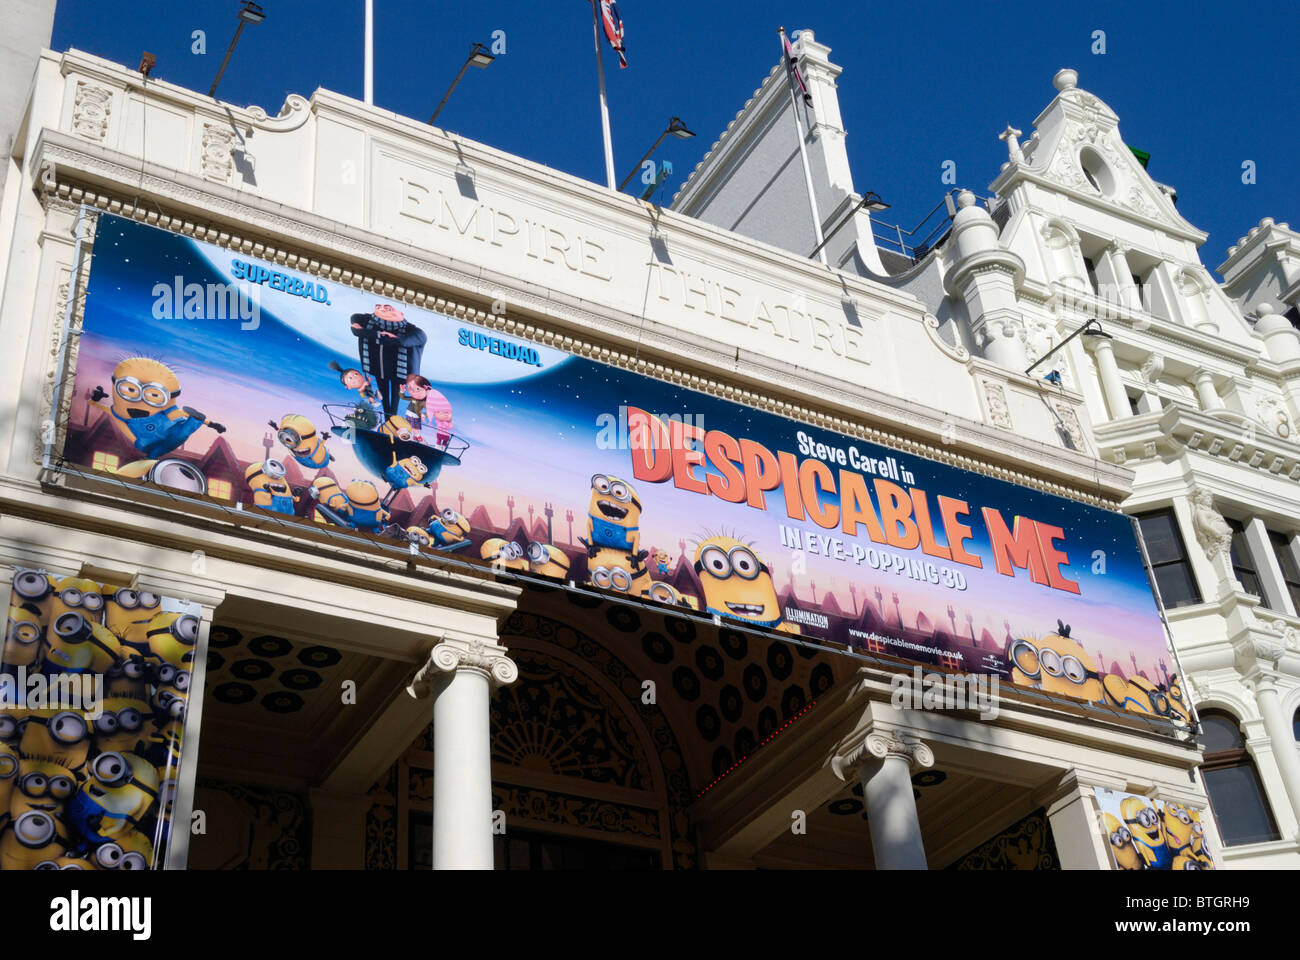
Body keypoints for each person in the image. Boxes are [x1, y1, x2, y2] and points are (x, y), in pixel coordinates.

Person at [350, 304, 426, 417]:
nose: (382, 309)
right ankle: (388, 418)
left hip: (399, 372)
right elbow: (355, 320)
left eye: (388, 308)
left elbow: (408, 340)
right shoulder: (370, 322)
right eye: (378, 307)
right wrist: (377, 334)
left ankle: (392, 418)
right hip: (380, 368)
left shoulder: (413, 331)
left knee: (395, 398)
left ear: (401, 314)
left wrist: (392, 338)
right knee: (384, 394)